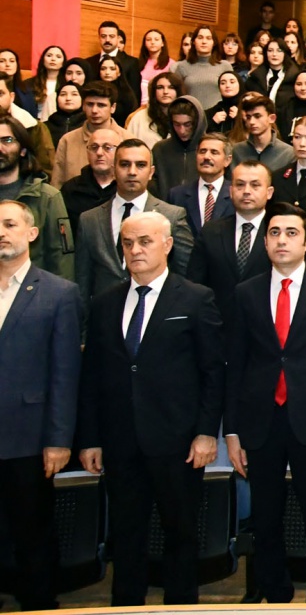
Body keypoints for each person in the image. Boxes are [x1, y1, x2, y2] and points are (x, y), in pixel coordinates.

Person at [77, 212, 223, 606]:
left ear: (167, 244)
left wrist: (207, 432)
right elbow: (91, 378)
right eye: (128, 243)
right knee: (125, 532)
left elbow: (213, 372)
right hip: (121, 440)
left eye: (144, 241)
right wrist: (90, 437)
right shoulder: (105, 303)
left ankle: (180, 606)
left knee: (180, 531)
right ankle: (126, 605)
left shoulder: (195, 297)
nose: (136, 250)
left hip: (177, 441)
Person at [223, 203, 306, 604]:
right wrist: (231, 430)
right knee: (265, 517)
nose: (282, 240)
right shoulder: (245, 293)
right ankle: (275, 594)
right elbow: (236, 363)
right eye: (274, 232)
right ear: (264, 241)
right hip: (260, 419)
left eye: (291, 233)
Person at [0, 198, 82, 611]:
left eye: (9, 224)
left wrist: (58, 440)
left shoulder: (58, 293)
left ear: (31, 233)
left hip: (29, 438)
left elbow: (65, 373)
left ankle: (38, 606)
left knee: (31, 534)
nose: (1, 231)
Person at [77, 137, 193, 298]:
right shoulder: (89, 219)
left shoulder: (172, 216)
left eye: (140, 165)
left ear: (151, 172)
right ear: (114, 169)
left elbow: (186, 274)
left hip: (156, 312)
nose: (132, 172)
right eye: (125, 164)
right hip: (105, 316)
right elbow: (83, 281)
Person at [187, 159, 274, 317]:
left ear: (269, 192)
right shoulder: (211, 232)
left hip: (266, 326)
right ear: (231, 190)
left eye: (255, 185)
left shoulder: (279, 233)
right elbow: (195, 284)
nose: (246, 191)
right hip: (219, 326)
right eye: (240, 185)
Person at [0, 114, 73, 280]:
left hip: (34, 294)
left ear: (23, 150)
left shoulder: (47, 197)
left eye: (7, 140)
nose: (0, 148)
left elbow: (61, 258)